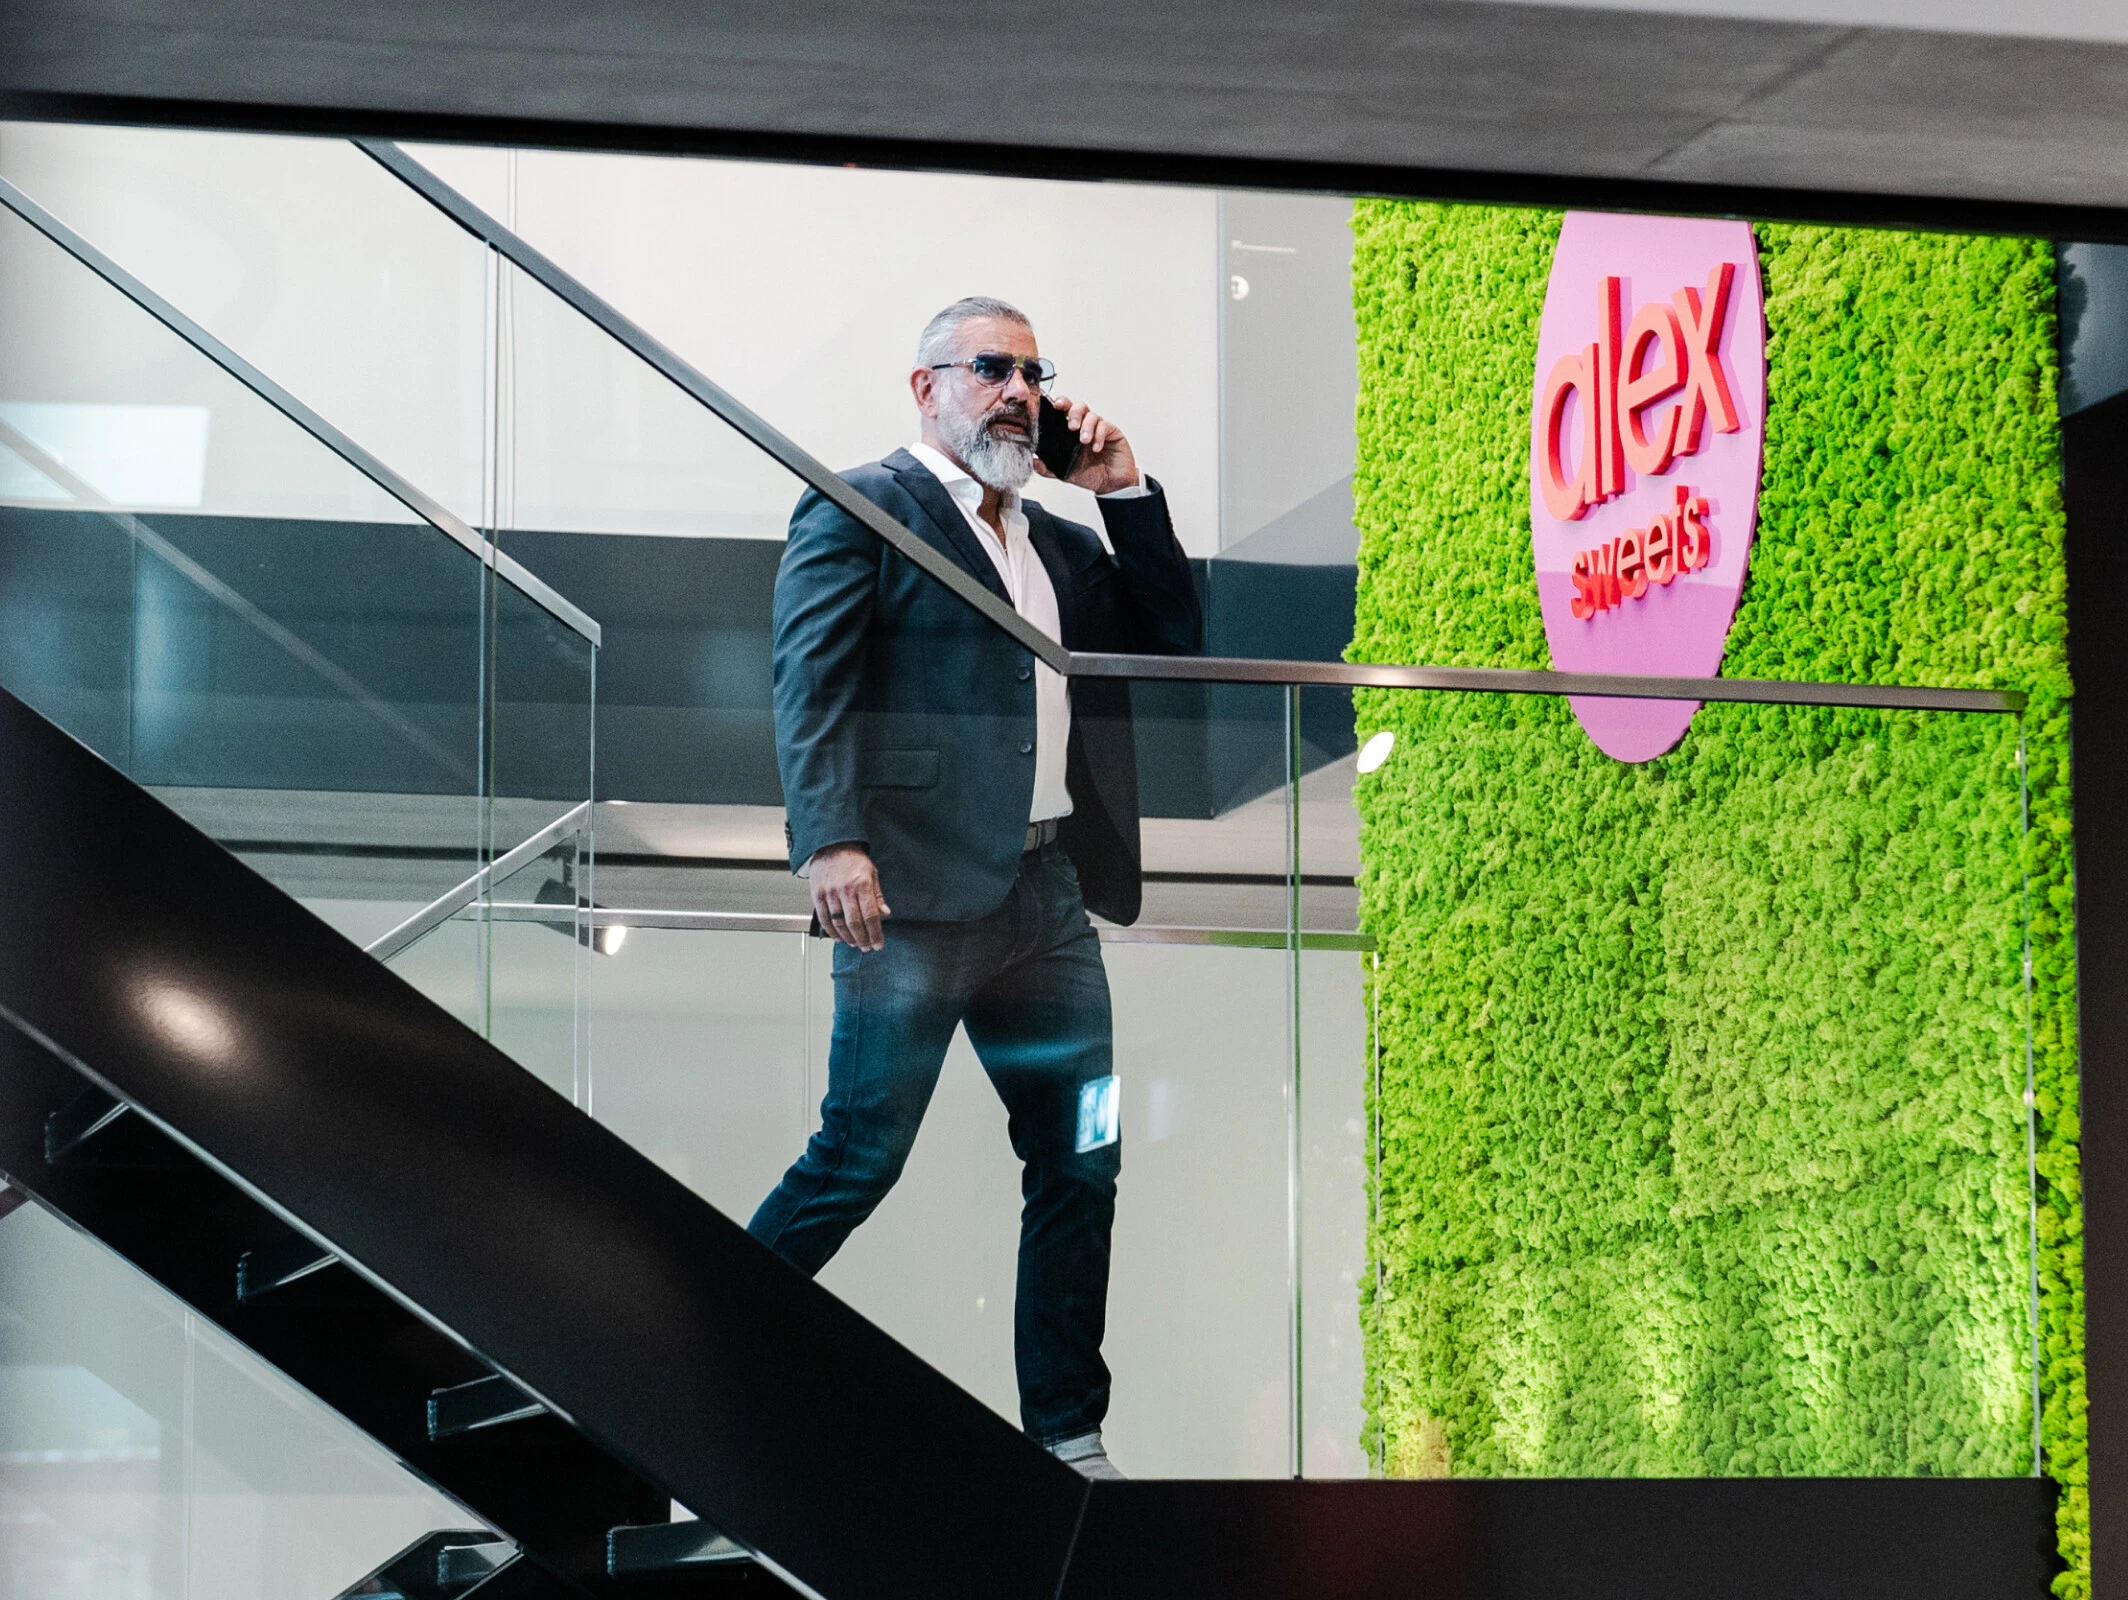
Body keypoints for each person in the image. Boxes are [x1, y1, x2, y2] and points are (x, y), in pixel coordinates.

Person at [748, 296, 1201, 1480]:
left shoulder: (1059, 541)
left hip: (1049, 904)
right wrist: (830, 840)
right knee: (860, 1151)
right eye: (989, 367)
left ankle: (1066, 1433)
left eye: (1032, 372)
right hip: (909, 900)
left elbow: (1172, 640)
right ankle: (701, 1339)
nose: (1017, 392)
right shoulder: (862, 505)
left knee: (1083, 1156)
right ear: (925, 386)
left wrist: (1121, 491)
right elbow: (809, 681)